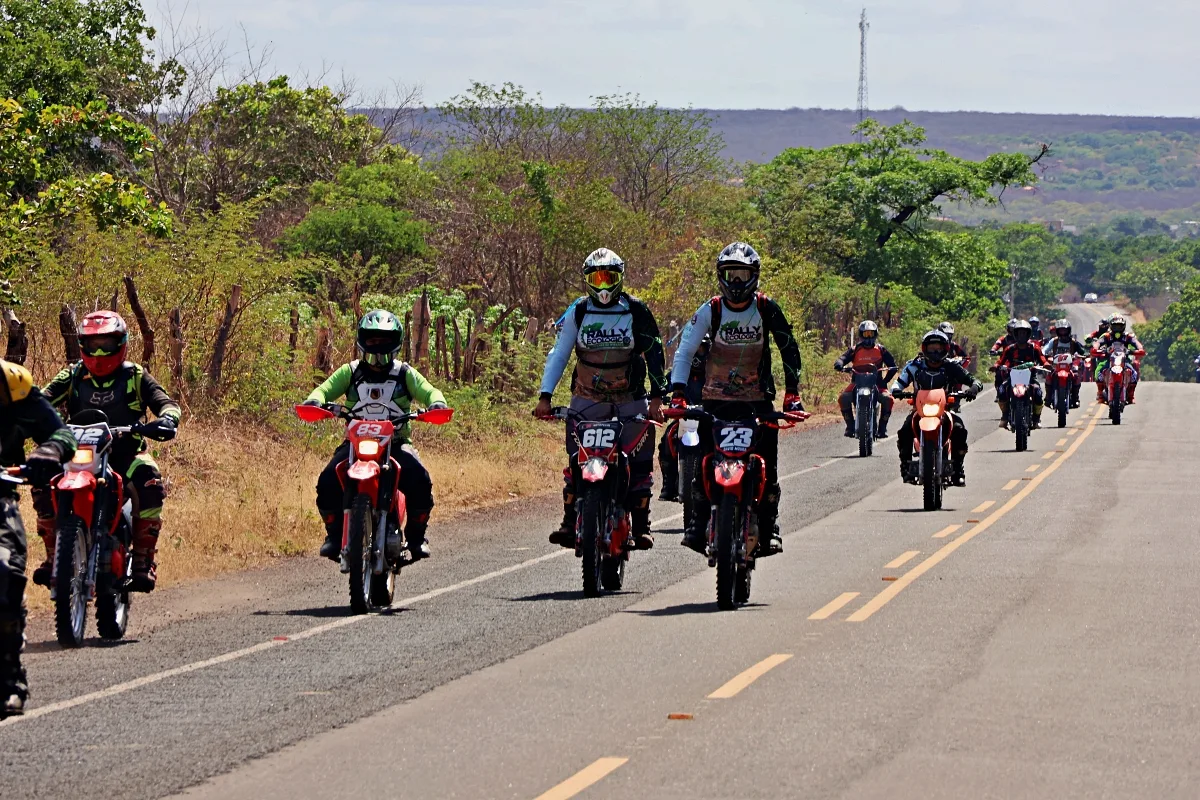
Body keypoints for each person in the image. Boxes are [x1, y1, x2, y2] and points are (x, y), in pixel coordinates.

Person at [670, 242, 803, 556]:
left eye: (743, 274)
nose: (737, 282)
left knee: (767, 466)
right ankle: (698, 522)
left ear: (754, 276)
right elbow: (685, 351)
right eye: (732, 275)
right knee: (704, 462)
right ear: (721, 276)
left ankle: (770, 527)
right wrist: (678, 393)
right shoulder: (711, 309)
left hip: (758, 401)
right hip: (714, 401)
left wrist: (792, 393)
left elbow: (788, 348)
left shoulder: (766, 308)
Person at [34, 311, 180, 592]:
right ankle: (54, 557)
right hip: (78, 454)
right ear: (82, 346)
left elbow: (167, 403)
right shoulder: (73, 375)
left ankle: (143, 560)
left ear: (121, 343)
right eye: (93, 345)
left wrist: (167, 419)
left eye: (106, 344)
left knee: (149, 478)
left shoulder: (135, 376)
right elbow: (41, 399)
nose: (99, 353)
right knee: (42, 476)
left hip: (126, 454)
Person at [534, 248, 667, 551]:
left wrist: (657, 399)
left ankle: (642, 524)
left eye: (610, 278)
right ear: (587, 280)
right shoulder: (579, 311)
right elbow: (560, 353)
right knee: (577, 457)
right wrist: (545, 396)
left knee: (641, 459)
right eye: (597, 278)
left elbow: (655, 353)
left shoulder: (636, 310)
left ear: (620, 278)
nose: (604, 285)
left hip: (630, 398)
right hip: (586, 398)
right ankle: (570, 520)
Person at [306, 310, 448, 561]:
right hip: (355, 445)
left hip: (397, 444)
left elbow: (430, 391)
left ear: (395, 342)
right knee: (327, 481)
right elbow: (323, 389)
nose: (378, 345)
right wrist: (315, 400)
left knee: (421, 480)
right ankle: (334, 536)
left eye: (384, 340)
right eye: (372, 339)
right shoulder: (350, 372)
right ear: (362, 341)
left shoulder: (404, 373)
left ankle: (416, 538)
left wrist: (436, 403)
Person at [0, 359, 75, 718]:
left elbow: (61, 434)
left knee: (5, 572)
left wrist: (48, 451)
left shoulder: (11, 382)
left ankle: (10, 679)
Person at [891, 331, 982, 487]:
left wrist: (973, 388)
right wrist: (896, 390)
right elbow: (898, 383)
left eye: (939, 348)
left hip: (945, 411)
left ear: (945, 349)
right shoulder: (914, 366)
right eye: (932, 348)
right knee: (905, 431)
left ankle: (958, 470)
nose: (935, 352)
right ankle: (905, 467)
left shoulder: (952, 367)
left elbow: (974, 381)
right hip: (919, 411)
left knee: (959, 430)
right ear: (924, 349)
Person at [658, 332, 709, 502]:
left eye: (699, 349)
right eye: (692, 349)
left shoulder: (714, 374)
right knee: (667, 441)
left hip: (707, 419)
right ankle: (668, 485)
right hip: (683, 419)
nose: (695, 354)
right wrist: (654, 395)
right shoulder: (679, 372)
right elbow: (663, 386)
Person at [833, 320, 897, 439]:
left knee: (889, 399)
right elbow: (842, 358)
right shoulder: (855, 349)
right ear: (861, 335)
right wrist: (839, 364)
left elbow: (892, 365)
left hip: (877, 384)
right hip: (856, 383)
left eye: (871, 334)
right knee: (843, 398)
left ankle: (882, 427)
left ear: (875, 334)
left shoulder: (881, 349)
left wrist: (885, 381)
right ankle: (850, 426)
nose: (868, 337)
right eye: (865, 334)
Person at [994, 319, 1049, 429]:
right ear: (1015, 334)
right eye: (1019, 333)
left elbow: (1042, 359)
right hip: (1012, 376)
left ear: (1028, 334)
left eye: (1024, 333)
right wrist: (996, 366)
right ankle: (1005, 416)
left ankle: (1036, 419)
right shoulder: (1010, 349)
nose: (1022, 336)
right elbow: (1001, 361)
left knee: (1038, 393)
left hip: (1030, 377)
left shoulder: (1034, 348)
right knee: (1001, 390)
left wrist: (1046, 364)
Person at [1091, 314, 1145, 404]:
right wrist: (1096, 348)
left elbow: (1137, 344)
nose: (1117, 328)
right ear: (1111, 326)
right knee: (1099, 372)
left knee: (1134, 374)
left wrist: (1139, 349)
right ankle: (1100, 393)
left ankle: (1131, 395)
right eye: (1115, 326)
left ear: (1123, 326)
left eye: (1119, 326)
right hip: (1109, 360)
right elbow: (1098, 343)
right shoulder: (1107, 336)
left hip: (1124, 361)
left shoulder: (1128, 336)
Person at [1042, 319, 1087, 409]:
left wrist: (1083, 354)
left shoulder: (1073, 342)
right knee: (1049, 377)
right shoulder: (1054, 341)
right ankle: (1048, 398)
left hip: (1070, 366)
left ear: (1068, 330)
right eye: (1061, 330)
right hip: (1056, 366)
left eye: (1065, 330)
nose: (1063, 333)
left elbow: (1083, 351)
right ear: (1057, 331)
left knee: (1076, 376)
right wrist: (1044, 354)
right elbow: (1044, 350)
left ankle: (1075, 398)